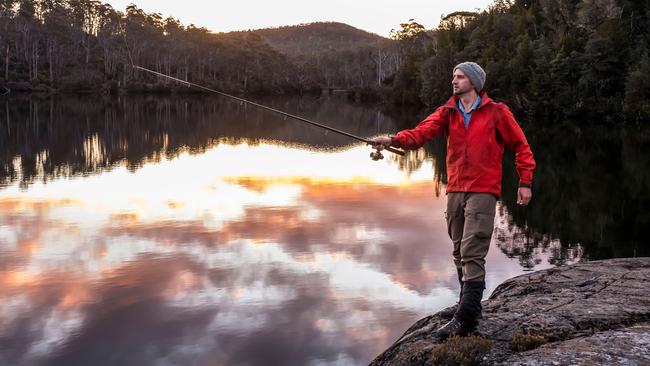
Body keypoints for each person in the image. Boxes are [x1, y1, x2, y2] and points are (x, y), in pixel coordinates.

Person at [370, 62, 536, 339]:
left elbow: (521, 146)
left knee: (472, 250)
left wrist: (525, 182)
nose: (454, 81)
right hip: (456, 188)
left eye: (460, 77)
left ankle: (467, 318)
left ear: (474, 81)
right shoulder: (447, 113)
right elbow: (419, 134)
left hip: (484, 189)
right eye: (453, 77)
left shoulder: (497, 112)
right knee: (459, 250)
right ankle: (466, 304)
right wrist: (390, 139)